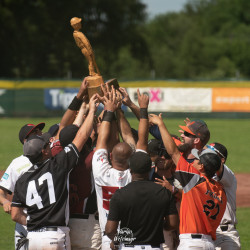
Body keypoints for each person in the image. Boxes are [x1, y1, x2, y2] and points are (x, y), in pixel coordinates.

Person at [11, 94, 98, 250]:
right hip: (55, 236)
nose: (49, 143)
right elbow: (82, 136)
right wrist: (91, 110)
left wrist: (33, 223)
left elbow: (15, 214)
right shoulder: (58, 166)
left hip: (32, 238)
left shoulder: (22, 179)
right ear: (44, 152)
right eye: (46, 145)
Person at [105, 90, 179, 250]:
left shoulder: (119, 189)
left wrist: (116, 110)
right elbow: (137, 137)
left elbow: (110, 230)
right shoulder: (162, 190)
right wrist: (135, 108)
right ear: (151, 165)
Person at [150, 114, 227, 250]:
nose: (195, 162)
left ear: (202, 167)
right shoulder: (221, 190)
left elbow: (173, 152)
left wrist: (161, 124)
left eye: (198, 160)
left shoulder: (195, 181)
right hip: (209, 244)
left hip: (191, 243)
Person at [92, 87, 133, 249]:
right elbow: (129, 138)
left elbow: (101, 141)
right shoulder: (135, 175)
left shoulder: (101, 173)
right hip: (132, 238)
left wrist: (108, 110)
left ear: (110, 157)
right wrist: (119, 111)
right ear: (131, 159)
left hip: (107, 237)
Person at [0, 122, 45, 250]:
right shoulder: (17, 164)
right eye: (36, 132)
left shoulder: (48, 155)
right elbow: (1, 191)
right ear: (26, 140)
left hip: (47, 223)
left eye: (40, 131)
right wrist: (5, 202)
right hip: (23, 224)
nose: (40, 134)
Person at [206, 143, 241, 250]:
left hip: (225, 235)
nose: (207, 156)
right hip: (206, 234)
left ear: (222, 160)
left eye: (212, 154)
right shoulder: (203, 175)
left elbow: (218, 168)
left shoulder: (228, 175)